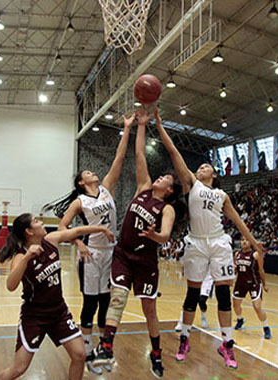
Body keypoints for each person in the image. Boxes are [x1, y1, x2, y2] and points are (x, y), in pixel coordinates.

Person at [154, 107, 262, 370]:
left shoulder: (222, 196)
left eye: (206, 166)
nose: (201, 167)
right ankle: (185, 339)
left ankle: (227, 344)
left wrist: (255, 242)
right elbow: (174, 153)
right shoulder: (192, 184)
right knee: (192, 295)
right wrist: (158, 124)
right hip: (196, 243)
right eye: (200, 166)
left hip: (219, 242)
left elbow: (236, 220)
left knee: (223, 295)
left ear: (214, 175)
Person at [92, 107, 182, 378]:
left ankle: (156, 353)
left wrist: (156, 236)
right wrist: (140, 125)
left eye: (166, 178)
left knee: (149, 309)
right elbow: (139, 154)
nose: (161, 176)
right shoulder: (143, 188)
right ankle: (106, 345)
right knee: (117, 298)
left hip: (146, 262)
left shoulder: (167, 209)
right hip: (123, 254)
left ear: (169, 190)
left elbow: (165, 235)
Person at [42, 114, 133, 374]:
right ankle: (86, 349)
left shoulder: (106, 189)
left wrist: (127, 129)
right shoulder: (79, 202)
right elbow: (62, 228)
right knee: (90, 304)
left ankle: (102, 351)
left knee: (105, 303)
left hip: (111, 253)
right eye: (88, 173)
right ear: (82, 183)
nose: (94, 172)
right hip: (91, 254)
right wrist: (79, 243)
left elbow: (118, 159)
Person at [0, 213, 114, 380]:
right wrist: (28, 256)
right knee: (18, 368)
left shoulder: (51, 240)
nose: (42, 222)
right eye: (37, 221)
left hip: (59, 312)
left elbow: (77, 231)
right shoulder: (21, 256)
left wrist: (100, 228)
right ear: (29, 231)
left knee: (79, 355)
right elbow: (10, 285)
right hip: (35, 316)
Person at [233, 238, 271, 339]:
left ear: (250, 243)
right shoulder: (237, 254)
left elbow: (261, 271)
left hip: (254, 283)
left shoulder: (255, 255)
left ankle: (266, 328)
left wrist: (264, 284)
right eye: (242, 240)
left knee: (257, 307)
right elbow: (235, 268)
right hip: (240, 283)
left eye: (246, 240)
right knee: (235, 306)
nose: (244, 242)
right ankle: (240, 319)